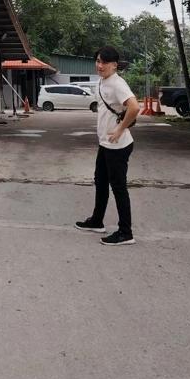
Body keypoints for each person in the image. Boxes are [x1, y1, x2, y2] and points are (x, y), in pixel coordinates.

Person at [75, 46, 140, 245]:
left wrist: (120, 128)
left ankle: (125, 232)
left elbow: (135, 107)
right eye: (97, 61)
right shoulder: (102, 81)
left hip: (118, 146)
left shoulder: (117, 83)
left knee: (118, 187)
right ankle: (97, 221)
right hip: (106, 144)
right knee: (101, 181)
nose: (99, 65)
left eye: (104, 62)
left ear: (114, 65)